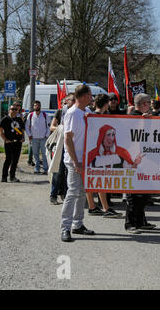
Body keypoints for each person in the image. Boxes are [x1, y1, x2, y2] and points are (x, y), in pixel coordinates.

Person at [61, 85, 95, 242]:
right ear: (82, 97)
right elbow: (67, 139)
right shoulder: (72, 113)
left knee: (82, 192)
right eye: (90, 95)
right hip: (74, 160)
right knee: (73, 192)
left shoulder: (87, 112)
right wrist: (76, 162)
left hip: (86, 160)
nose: (91, 98)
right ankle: (65, 228)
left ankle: (78, 224)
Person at [123, 93, 155, 234]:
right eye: (148, 103)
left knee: (144, 193)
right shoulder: (133, 118)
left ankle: (141, 221)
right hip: (133, 160)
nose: (150, 105)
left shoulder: (145, 117)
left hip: (145, 159)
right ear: (142, 104)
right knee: (133, 194)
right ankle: (130, 223)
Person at [0, 105, 25, 182]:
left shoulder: (19, 119)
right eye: (12, 109)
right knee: (8, 160)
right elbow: (0, 131)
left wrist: (23, 138)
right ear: (9, 110)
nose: (14, 110)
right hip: (9, 142)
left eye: (15, 109)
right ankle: (4, 177)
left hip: (18, 142)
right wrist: (5, 139)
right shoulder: (5, 119)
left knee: (15, 160)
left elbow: (22, 130)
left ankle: (12, 177)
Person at [25, 100, 51, 174]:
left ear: (40, 106)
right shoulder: (30, 115)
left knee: (44, 154)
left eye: (38, 105)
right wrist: (29, 135)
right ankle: (37, 168)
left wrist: (46, 135)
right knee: (35, 154)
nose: (37, 106)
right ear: (33, 107)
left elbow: (48, 127)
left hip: (43, 138)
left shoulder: (45, 115)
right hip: (34, 138)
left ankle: (46, 169)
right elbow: (27, 126)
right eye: (35, 105)